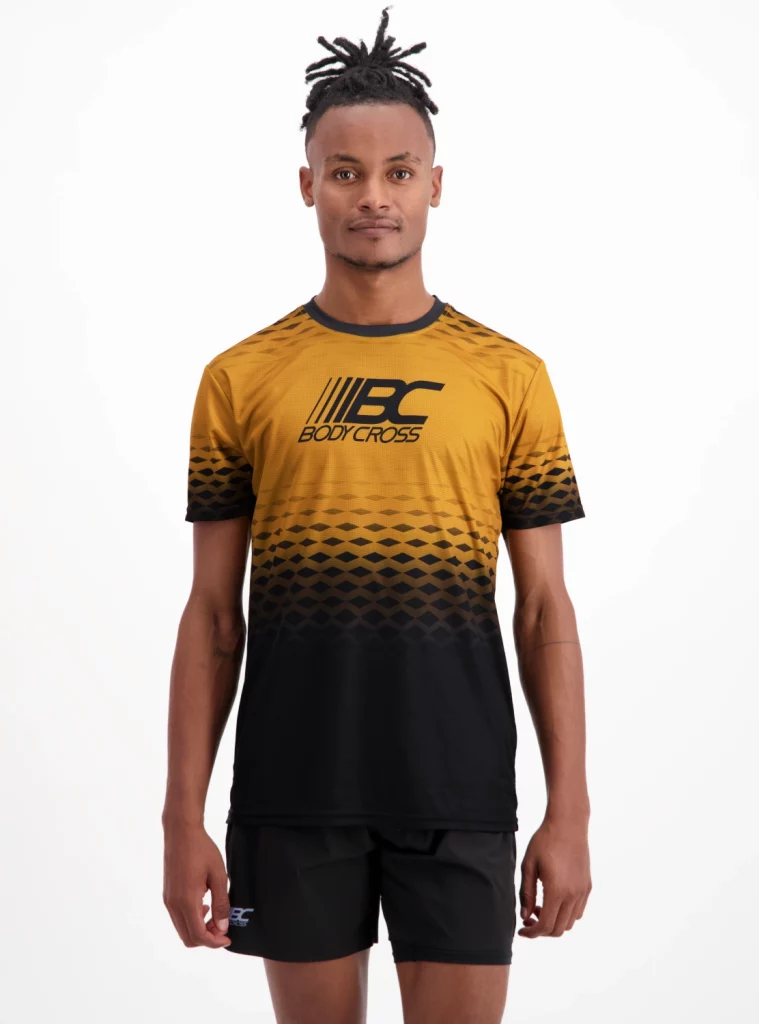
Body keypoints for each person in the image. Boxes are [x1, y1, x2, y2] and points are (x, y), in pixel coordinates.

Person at [162, 7, 592, 1022]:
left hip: (460, 790)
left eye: (399, 172)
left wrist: (569, 807)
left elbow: (543, 609)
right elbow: (213, 615)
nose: (373, 196)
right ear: (306, 184)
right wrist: (182, 816)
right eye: (345, 172)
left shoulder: (510, 377)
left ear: (435, 185)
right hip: (293, 786)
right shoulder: (240, 379)